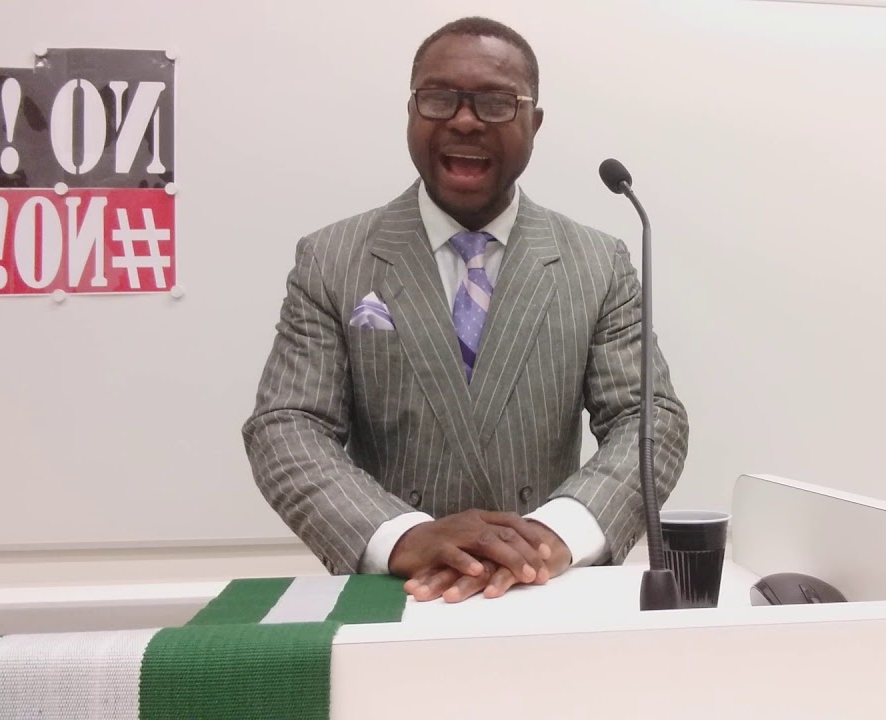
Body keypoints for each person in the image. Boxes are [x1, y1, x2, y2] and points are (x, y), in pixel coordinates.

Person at [242, 15, 689, 604]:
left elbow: (649, 420)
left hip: (544, 590)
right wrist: (401, 535)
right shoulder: (332, 258)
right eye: (438, 98)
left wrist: (556, 534)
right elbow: (288, 425)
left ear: (534, 123)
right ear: (410, 111)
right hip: (398, 594)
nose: (464, 120)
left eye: (497, 103)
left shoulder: (597, 262)